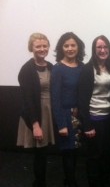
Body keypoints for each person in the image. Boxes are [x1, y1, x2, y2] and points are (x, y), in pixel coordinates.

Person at [16, 33, 55, 187]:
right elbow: (27, 100)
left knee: (44, 152)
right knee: (39, 153)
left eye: (44, 45)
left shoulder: (51, 66)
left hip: (48, 111)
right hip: (35, 114)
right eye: (38, 46)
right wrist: (35, 125)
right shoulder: (26, 70)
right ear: (31, 48)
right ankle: (39, 183)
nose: (42, 49)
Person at [78, 35, 110, 187]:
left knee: (107, 155)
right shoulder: (88, 69)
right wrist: (87, 125)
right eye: (99, 47)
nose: (102, 50)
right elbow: (82, 99)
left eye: (105, 47)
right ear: (94, 50)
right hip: (94, 119)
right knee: (94, 157)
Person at [51, 32, 85, 187]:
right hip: (65, 116)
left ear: (78, 47)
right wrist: (61, 124)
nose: (70, 48)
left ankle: (69, 180)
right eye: (66, 45)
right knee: (68, 153)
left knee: (77, 152)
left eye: (73, 45)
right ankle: (70, 182)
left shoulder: (83, 67)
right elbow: (55, 98)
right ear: (61, 48)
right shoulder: (58, 68)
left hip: (80, 116)